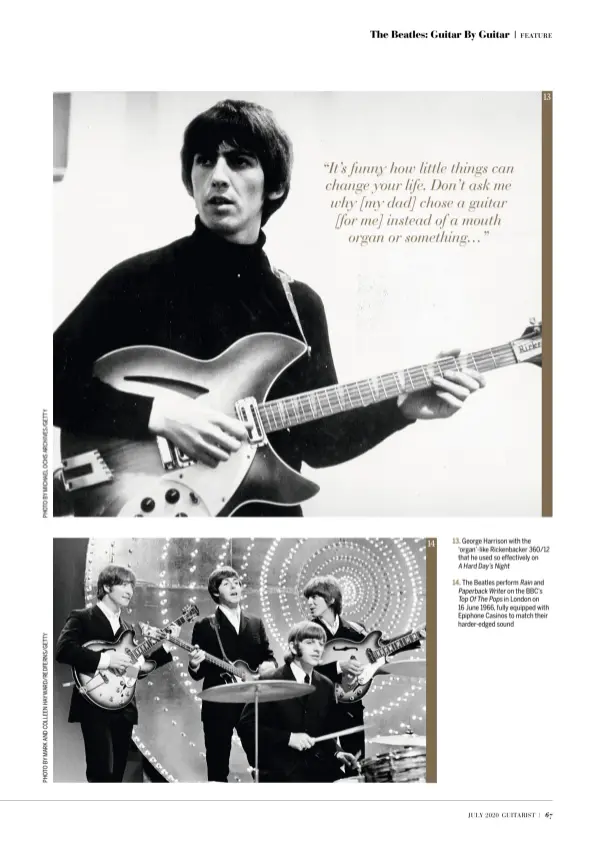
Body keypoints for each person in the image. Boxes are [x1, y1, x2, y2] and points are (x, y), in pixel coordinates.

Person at [53, 98, 486, 517]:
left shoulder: (299, 304)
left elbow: (320, 442)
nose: (218, 177)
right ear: (191, 179)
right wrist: (158, 416)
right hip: (154, 518)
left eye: (240, 162)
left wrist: (402, 408)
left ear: (274, 186)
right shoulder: (137, 280)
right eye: (204, 161)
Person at [55, 564, 175, 782]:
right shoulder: (83, 617)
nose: (130, 590)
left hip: (123, 707)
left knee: (117, 775)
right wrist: (107, 660)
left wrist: (165, 647)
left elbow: (134, 671)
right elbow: (63, 650)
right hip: (93, 703)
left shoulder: (127, 628)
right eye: (124, 584)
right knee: (100, 773)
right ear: (107, 587)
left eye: (132, 586)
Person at [305, 574, 421, 761]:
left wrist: (415, 636)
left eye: (314, 597)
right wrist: (338, 666)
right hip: (319, 709)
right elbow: (303, 669)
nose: (309, 602)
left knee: (357, 765)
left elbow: (381, 647)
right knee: (323, 769)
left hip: (351, 708)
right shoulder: (307, 630)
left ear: (331, 599)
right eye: (308, 598)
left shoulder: (355, 629)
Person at [238, 620, 357, 782]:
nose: (318, 649)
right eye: (310, 642)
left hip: (317, 770)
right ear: (293, 647)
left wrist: (337, 752)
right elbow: (247, 726)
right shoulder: (270, 681)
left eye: (321, 644)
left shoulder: (325, 685)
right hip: (280, 774)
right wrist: (288, 738)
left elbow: (325, 733)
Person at [187, 566, 277, 781]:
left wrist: (269, 664)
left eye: (236, 582)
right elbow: (198, 675)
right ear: (216, 592)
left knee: (264, 764)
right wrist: (194, 664)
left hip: (251, 704)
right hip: (219, 706)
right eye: (227, 584)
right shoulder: (205, 625)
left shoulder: (255, 623)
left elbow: (269, 656)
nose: (234, 586)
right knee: (218, 770)